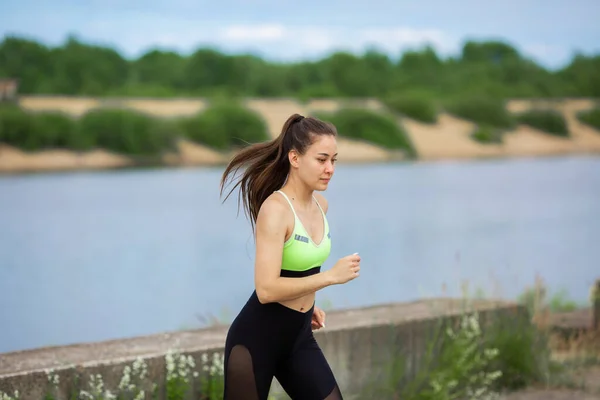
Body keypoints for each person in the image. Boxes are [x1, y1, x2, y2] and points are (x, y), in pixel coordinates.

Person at [219, 113, 361, 400]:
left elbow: (301, 267)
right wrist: (330, 277)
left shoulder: (321, 205)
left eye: (334, 160)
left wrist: (308, 303)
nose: (330, 168)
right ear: (295, 159)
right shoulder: (275, 211)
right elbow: (267, 290)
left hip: (298, 337)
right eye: (321, 159)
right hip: (255, 340)